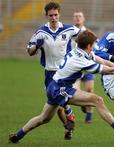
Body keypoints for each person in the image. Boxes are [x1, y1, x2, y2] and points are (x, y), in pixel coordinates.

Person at [9, 30, 114, 144]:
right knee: (97, 100)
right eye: (94, 44)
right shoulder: (80, 60)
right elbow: (108, 70)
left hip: (55, 86)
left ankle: (17, 136)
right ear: (88, 46)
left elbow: (105, 62)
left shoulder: (82, 51)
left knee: (44, 118)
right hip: (59, 88)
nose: (95, 46)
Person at [25, 2, 80, 140]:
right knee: (58, 106)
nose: (54, 18)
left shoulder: (69, 29)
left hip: (65, 71)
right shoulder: (41, 32)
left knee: (60, 100)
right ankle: (68, 127)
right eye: (51, 15)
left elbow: (85, 37)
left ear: (59, 14)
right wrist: (36, 47)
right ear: (46, 16)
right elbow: (30, 51)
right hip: (49, 73)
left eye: (56, 15)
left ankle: (70, 116)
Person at [72, 11, 94, 123]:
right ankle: (84, 102)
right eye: (75, 16)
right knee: (76, 90)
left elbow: (96, 44)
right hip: (74, 66)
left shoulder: (87, 33)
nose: (77, 18)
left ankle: (89, 112)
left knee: (89, 89)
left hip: (87, 65)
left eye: (79, 16)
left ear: (84, 18)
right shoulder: (69, 32)